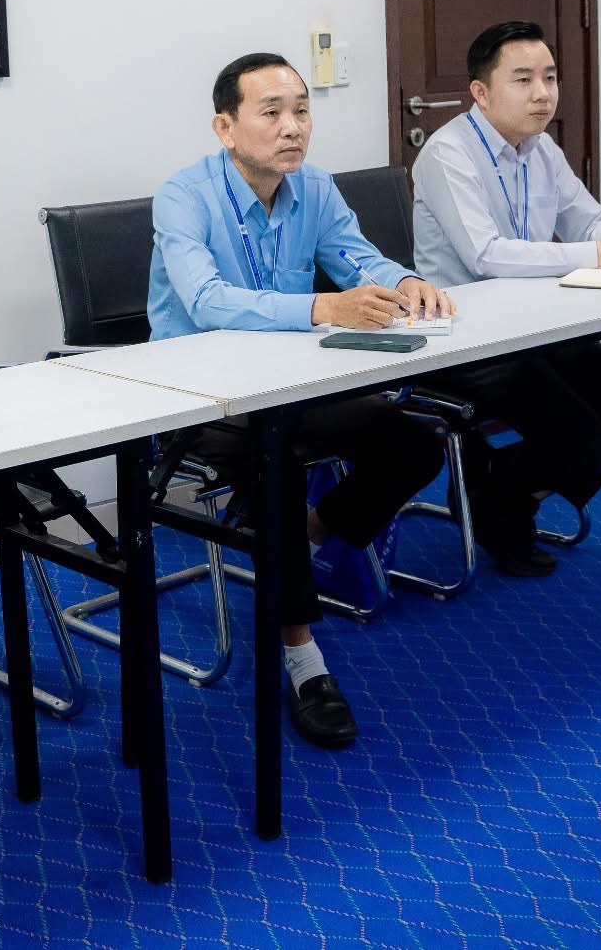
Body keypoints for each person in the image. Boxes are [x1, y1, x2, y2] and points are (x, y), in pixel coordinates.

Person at [149, 52, 454, 749]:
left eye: (302, 111)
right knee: (276, 464)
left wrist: (404, 282)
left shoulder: (312, 187)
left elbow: (357, 257)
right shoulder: (183, 196)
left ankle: (306, 534)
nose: (293, 127)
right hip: (200, 394)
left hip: (291, 381)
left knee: (413, 442)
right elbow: (206, 301)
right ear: (225, 127)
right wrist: (322, 307)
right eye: (272, 112)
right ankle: (301, 654)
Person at [411, 20, 601, 575]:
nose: (543, 93)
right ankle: (500, 499)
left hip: (535, 327)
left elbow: (589, 222)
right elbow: (486, 256)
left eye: (550, 78)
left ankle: (501, 488)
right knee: (587, 440)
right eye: (524, 79)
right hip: (467, 340)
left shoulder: (541, 148)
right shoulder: (447, 154)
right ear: (481, 92)